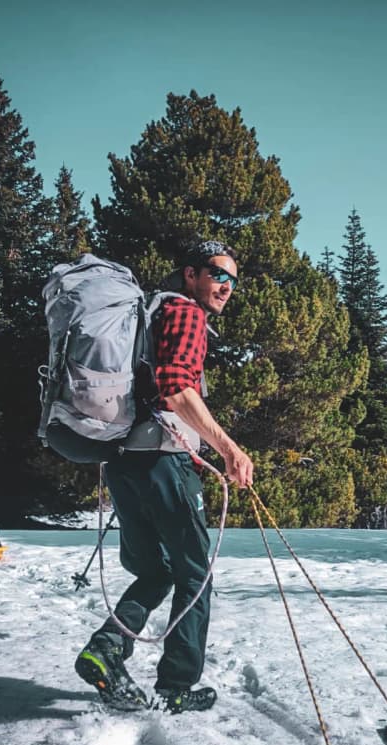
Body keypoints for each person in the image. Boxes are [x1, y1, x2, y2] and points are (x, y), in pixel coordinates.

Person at [74, 240, 254, 714]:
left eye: (233, 280)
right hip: (162, 460)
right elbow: (175, 388)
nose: (226, 287)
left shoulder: (153, 313)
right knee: (195, 573)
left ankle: (107, 648)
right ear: (191, 274)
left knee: (156, 572)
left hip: (123, 461)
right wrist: (229, 448)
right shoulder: (186, 313)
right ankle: (176, 685)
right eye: (218, 274)